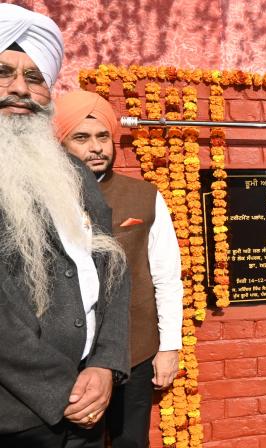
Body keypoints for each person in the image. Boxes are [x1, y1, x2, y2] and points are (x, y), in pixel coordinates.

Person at [0, 4, 130, 447]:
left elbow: (113, 267)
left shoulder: (72, 173)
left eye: (34, 77)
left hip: (87, 403)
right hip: (20, 416)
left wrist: (105, 364)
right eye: (4, 72)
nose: (19, 89)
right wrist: (67, 390)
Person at [53, 90, 183, 448]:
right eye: (81, 137)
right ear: (60, 141)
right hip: (69, 359)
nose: (95, 147)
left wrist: (169, 347)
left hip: (135, 350)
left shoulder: (143, 196)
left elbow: (167, 276)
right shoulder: (43, 200)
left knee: (131, 442)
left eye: (102, 137)